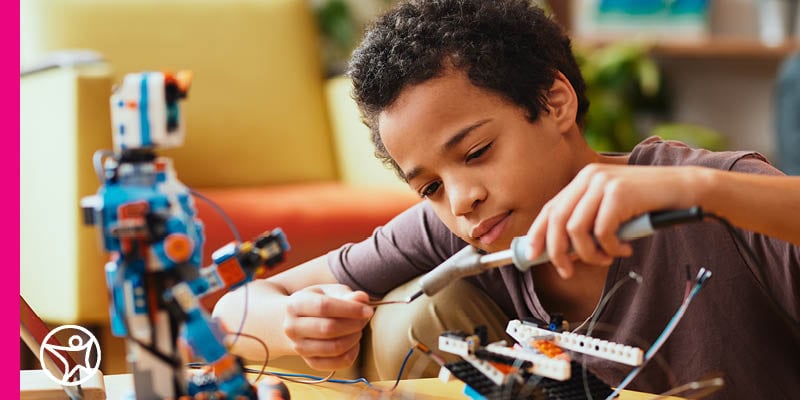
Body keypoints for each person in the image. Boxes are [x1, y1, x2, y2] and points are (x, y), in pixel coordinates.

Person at [214, 0, 800, 397]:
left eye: (476, 153)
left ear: (555, 103)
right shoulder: (460, 228)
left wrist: (703, 190)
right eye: (430, 187)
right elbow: (227, 313)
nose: (462, 200)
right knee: (414, 315)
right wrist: (294, 321)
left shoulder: (711, 194)